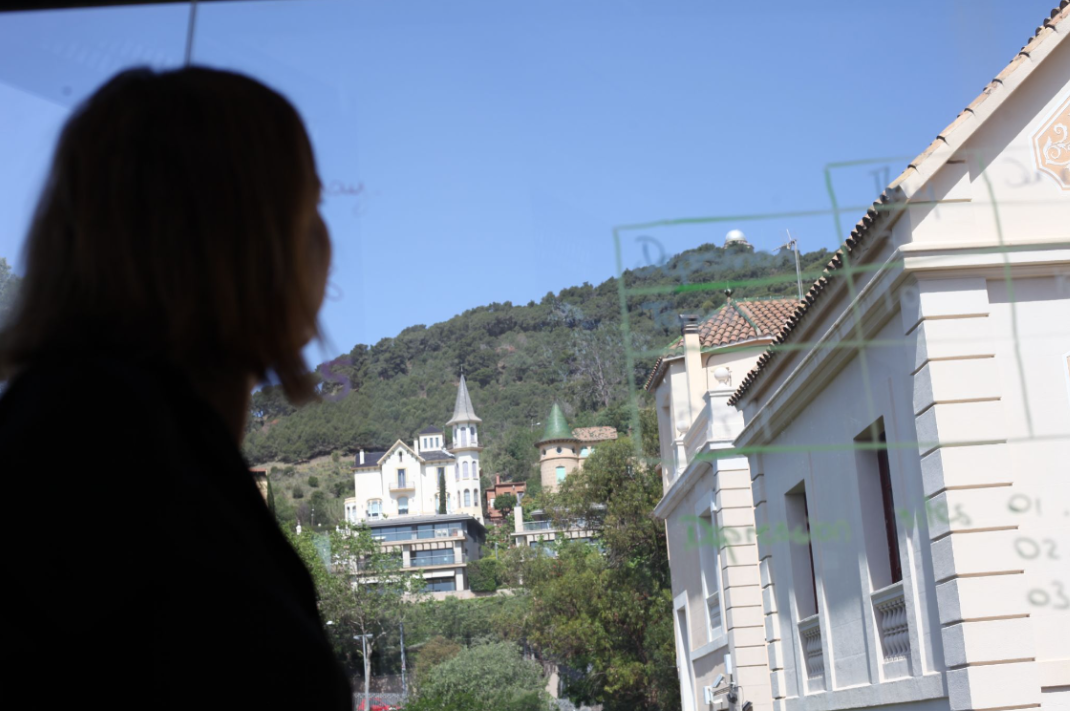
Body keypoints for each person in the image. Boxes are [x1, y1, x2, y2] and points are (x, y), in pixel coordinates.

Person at [0, 67, 352, 709]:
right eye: (310, 204)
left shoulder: (77, 433)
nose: (326, 239)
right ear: (245, 240)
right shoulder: (119, 473)